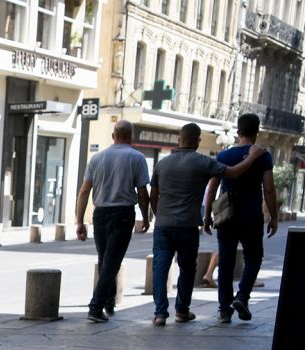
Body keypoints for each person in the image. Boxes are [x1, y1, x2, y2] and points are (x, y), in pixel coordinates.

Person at [148, 123, 265, 326]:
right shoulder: (202, 162)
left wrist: (158, 215)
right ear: (197, 141)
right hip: (188, 225)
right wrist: (253, 157)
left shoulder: (162, 164)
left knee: (160, 267)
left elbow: (153, 194)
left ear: (178, 139)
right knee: (186, 268)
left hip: (164, 225)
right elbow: (234, 173)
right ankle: (182, 311)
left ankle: (160, 314)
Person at [75, 120, 150, 322]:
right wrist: (145, 215)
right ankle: (96, 307)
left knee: (105, 259)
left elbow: (84, 191)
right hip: (123, 213)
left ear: (113, 136)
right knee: (111, 261)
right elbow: (142, 192)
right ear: (131, 136)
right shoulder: (137, 158)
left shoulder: (97, 158)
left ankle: (109, 302)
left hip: (100, 214)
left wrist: (79, 221)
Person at [204, 113, 277, 323]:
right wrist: (273, 216)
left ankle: (224, 310)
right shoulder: (263, 155)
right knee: (254, 258)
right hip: (251, 214)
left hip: (226, 215)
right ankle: (243, 296)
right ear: (256, 133)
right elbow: (269, 189)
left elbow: (212, 189)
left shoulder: (224, 156)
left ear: (238, 131)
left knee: (225, 261)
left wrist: (208, 215)